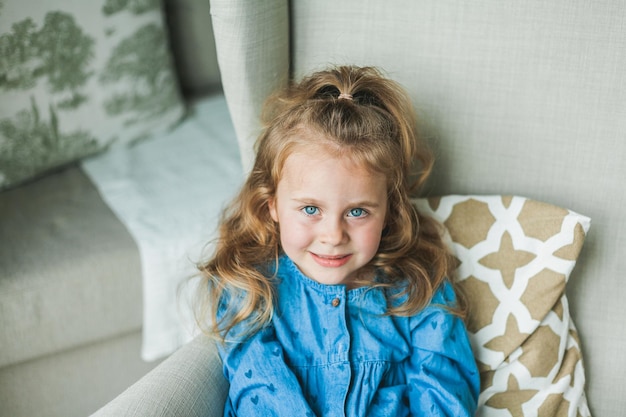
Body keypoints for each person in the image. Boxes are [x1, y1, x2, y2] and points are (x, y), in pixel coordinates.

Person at [195, 65, 480, 416]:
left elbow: (444, 394)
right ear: (272, 206)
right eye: (311, 209)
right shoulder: (250, 286)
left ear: (389, 211)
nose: (333, 236)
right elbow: (261, 394)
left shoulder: (418, 289)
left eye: (358, 212)